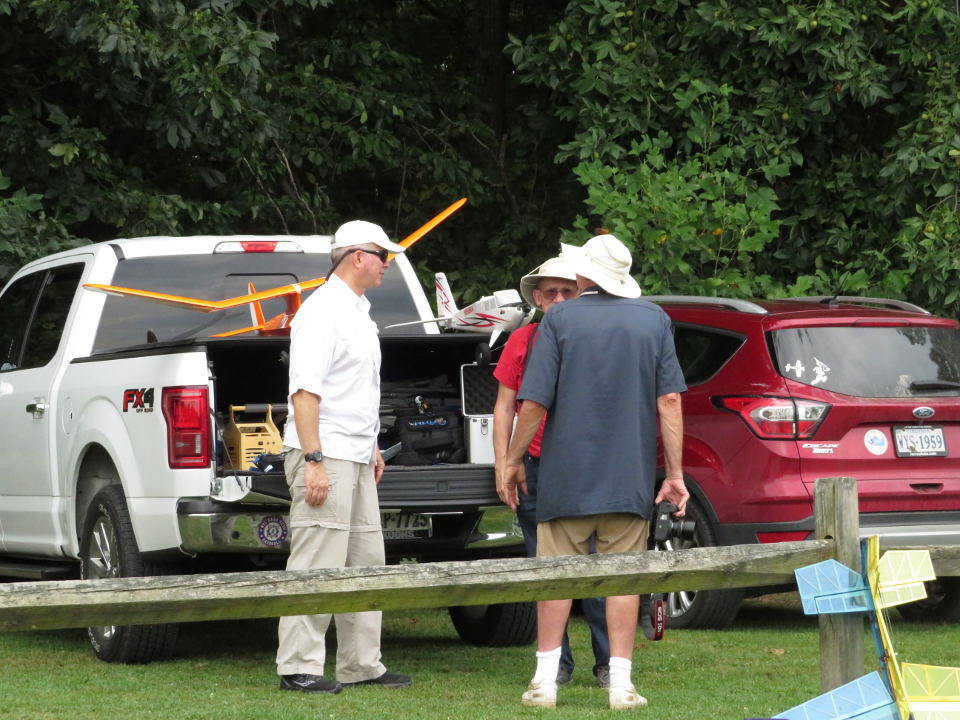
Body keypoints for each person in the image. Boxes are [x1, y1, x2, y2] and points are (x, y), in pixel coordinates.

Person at [500, 233, 688, 711]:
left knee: (556, 575)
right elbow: (669, 400)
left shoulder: (559, 318)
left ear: (585, 274)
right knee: (624, 579)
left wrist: (514, 459)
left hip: (566, 475)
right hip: (628, 474)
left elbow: (534, 401)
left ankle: (545, 681)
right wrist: (675, 474)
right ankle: (621, 684)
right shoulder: (654, 318)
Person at [276, 220, 412, 695]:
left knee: (365, 561)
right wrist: (313, 459)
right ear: (357, 256)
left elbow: (355, 389)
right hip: (325, 452)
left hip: (353, 453)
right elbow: (305, 392)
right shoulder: (322, 312)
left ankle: (361, 664)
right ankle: (298, 666)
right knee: (317, 561)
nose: (387, 265)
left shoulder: (359, 311)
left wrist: (370, 444)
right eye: (383, 256)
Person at [492, 255, 611, 688]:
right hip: (536, 465)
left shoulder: (596, 337)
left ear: (581, 293)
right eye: (551, 292)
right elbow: (505, 405)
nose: (559, 299)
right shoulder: (523, 338)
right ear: (538, 299)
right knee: (544, 566)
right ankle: (556, 663)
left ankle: (609, 663)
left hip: (588, 465)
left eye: (568, 291)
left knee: (598, 566)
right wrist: (507, 462)